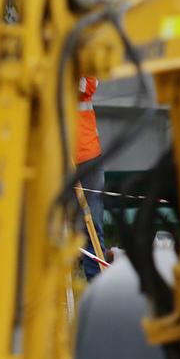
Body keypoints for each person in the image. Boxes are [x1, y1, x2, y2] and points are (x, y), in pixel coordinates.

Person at [77, 76, 106, 280]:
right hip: (46, 154)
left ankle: (96, 282)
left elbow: (89, 84)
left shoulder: (79, 47)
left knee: (93, 225)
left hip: (85, 153)